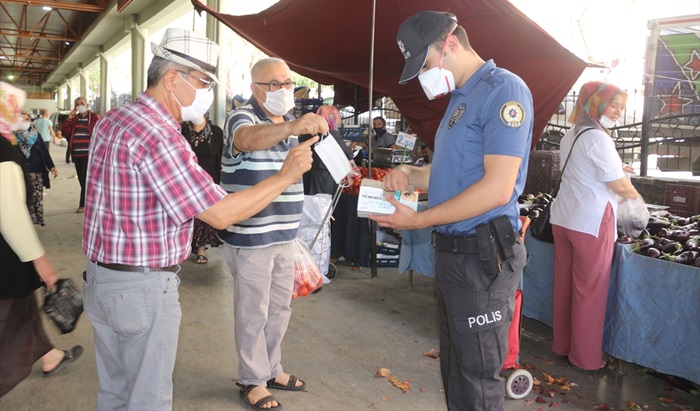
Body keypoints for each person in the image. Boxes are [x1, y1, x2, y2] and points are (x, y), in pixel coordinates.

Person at [81, 29, 317, 411]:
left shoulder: (116, 118)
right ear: (172, 79)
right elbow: (220, 214)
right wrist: (284, 177)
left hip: (102, 279)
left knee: (115, 393)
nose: (207, 92)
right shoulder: (158, 134)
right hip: (140, 288)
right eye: (203, 82)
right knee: (147, 400)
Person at [369, 11, 533, 410]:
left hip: (483, 259)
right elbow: (450, 173)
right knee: (457, 372)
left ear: (451, 44)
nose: (426, 76)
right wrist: (410, 174)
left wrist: (419, 220)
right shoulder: (460, 100)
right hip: (455, 257)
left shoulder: (504, 91)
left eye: (425, 64)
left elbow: (496, 189)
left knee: (477, 378)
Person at [219, 57, 329, 411]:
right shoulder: (243, 117)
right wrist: (292, 126)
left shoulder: (290, 125)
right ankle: (251, 379)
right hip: (251, 235)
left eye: (287, 83)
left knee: (280, 307)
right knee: (254, 310)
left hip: (284, 235)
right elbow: (247, 140)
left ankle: (271, 369)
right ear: (255, 89)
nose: (283, 90)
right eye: (274, 84)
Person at [550, 82, 640, 371]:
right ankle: (586, 359)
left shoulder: (570, 134)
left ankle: (562, 346)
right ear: (595, 103)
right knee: (590, 290)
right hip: (590, 222)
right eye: (613, 104)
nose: (617, 111)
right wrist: (637, 198)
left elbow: (583, 171)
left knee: (564, 286)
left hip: (563, 219)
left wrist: (617, 171)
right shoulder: (599, 139)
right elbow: (617, 185)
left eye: (621, 107)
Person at [0, 81, 83, 398]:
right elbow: (10, 214)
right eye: (14, 108)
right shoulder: (4, 152)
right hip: (7, 258)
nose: (19, 114)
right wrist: (41, 261)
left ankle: (49, 355)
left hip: (12, 263)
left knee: (24, 310)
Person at [297, 104, 354, 283]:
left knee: (302, 231)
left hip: (303, 189)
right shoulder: (330, 134)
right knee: (319, 232)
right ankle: (318, 274)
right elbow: (349, 155)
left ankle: (301, 271)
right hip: (321, 191)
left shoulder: (306, 134)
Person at [180, 113, 224, 264]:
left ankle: (201, 248)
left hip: (208, 181)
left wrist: (219, 183)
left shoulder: (216, 132)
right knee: (189, 215)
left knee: (204, 216)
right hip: (188, 180)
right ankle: (187, 245)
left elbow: (220, 159)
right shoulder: (183, 131)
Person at [14, 112, 58, 226]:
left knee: (36, 197)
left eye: (27, 119)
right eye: (22, 120)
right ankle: (25, 221)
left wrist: (51, 166)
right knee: (24, 197)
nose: (25, 122)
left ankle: (35, 219)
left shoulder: (36, 135)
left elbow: (43, 151)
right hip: (20, 172)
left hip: (37, 171)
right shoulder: (12, 137)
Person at [61, 96, 100, 213]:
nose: (80, 106)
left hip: (89, 154)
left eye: (82, 103)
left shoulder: (93, 118)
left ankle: (83, 204)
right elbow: (65, 132)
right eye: (77, 104)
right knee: (82, 180)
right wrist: (68, 118)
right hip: (76, 154)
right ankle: (90, 201)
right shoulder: (74, 119)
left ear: (87, 105)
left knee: (85, 179)